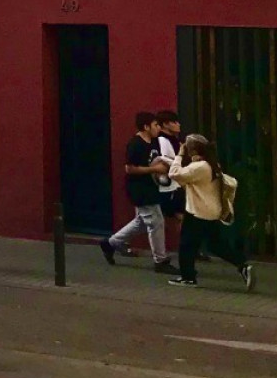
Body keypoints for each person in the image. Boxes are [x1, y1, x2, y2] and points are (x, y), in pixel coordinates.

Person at [163, 134, 254, 290]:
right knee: (216, 245)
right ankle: (242, 265)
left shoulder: (200, 167)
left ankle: (188, 278)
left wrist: (179, 155)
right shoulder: (211, 165)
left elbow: (174, 174)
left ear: (192, 150)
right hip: (211, 211)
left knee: (186, 245)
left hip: (197, 212)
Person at [101, 111, 173, 273]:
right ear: (146, 127)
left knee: (141, 222)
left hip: (150, 186)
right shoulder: (135, 144)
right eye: (155, 125)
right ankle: (160, 260)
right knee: (156, 222)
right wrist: (154, 169)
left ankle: (111, 243)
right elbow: (129, 168)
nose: (158, 128)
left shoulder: (154, 141)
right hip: (140, 189)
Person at [154, 110, 186, 251]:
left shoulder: (173, 140)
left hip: (175, 185)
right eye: (174, 122)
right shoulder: (163, 141)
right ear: (166, 125)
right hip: (170, 186)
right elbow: (167, 160)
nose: (178, 124)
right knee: (180, 216)